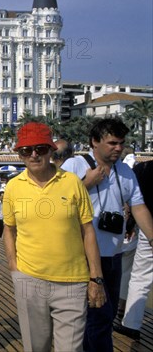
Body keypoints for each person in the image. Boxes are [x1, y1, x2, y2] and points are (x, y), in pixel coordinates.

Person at [3, 122, 105, 352]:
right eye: (26, 150)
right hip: (29, 279)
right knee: (35, 347)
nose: (34, 155)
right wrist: (13, 267)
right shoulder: (12, 187)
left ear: (51, 150)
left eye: (40, 148)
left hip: (72, 282)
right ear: (19, 154)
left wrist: (95, 278)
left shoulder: (72, 183)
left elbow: (88, 230)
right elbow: (9, 229)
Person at [61, 117, 153, 351]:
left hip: (112, 253)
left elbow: (138, 206)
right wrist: (86, 183)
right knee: (92, 316)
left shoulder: (125, 171)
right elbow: (56, 203)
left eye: (121, 143)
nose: (119, 148)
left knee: (105, 313)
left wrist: (152, 237)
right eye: (112, 143)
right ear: (94, 142)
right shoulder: (74, 166)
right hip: (80, 255)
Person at [115, 160, 153, 340]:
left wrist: (130, 224)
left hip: (147, 228)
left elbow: (132, 202)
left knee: (140, 277)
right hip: (146, 228)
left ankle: (131, 323)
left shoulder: (142, 169)